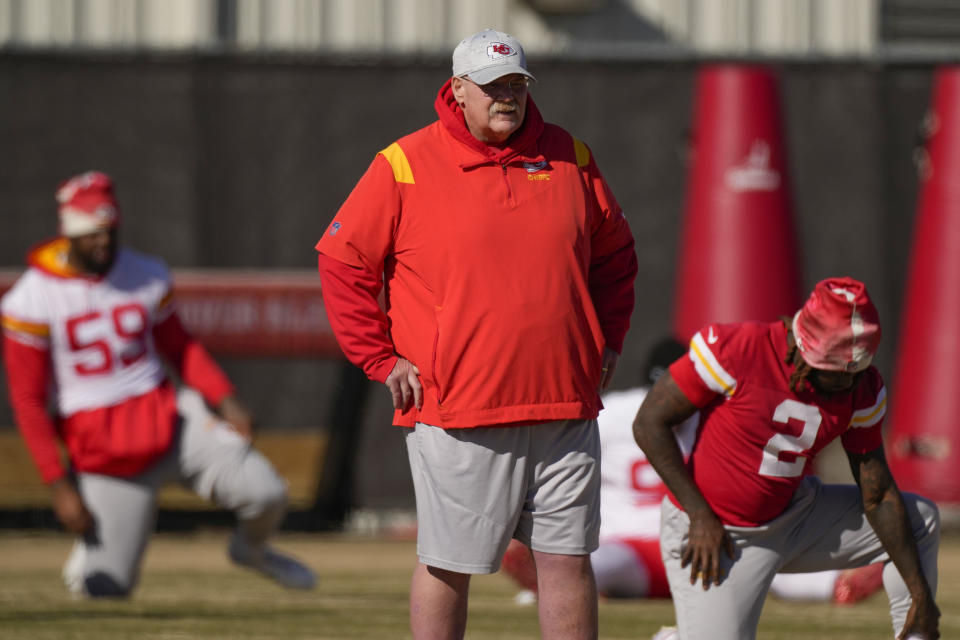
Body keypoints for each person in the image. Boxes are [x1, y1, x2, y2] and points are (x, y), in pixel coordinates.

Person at [315, 28, 637, 639]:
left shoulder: (572, 156)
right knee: (450, 565)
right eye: (492, 86)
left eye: (516, 83)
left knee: (567, 562)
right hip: (457, 408)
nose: (506, 97)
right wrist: (380, 360)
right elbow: (342, 262)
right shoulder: (403, 163)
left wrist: (609, 339)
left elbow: (616, 258)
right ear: (458, 90)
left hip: (563, 404)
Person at [1, 171, 315, 597]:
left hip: (169, 419)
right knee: (104, 589)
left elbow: (180, 346)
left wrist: (225, 398)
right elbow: (28, 399)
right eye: (93, 234)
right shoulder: (32, 298)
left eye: (110, 232)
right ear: (69, 233)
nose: (104, 243)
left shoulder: (143, 273)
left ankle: (252, 550)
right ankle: (93, 551)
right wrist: (58, 485)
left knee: (266, 493)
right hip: (104, 450)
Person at [633, 277, 940, 640]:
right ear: (807, 349)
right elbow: (649, 423)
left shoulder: (863, 387)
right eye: (840, 373)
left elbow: (879, 495)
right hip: (718, 531)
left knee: (919, 519)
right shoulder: (739, 348)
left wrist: (920, 592)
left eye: (856, 371)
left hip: (793, 514)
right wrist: (699, 515)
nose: (851, 383)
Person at [501, 337, 885, 606]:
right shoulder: (710, 415)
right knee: (765, 567)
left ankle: (544, 575)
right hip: (696, 538)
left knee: (592, 565)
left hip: (657, 541)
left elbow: (556, 461)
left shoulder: (612, 412)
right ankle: (835, 584)